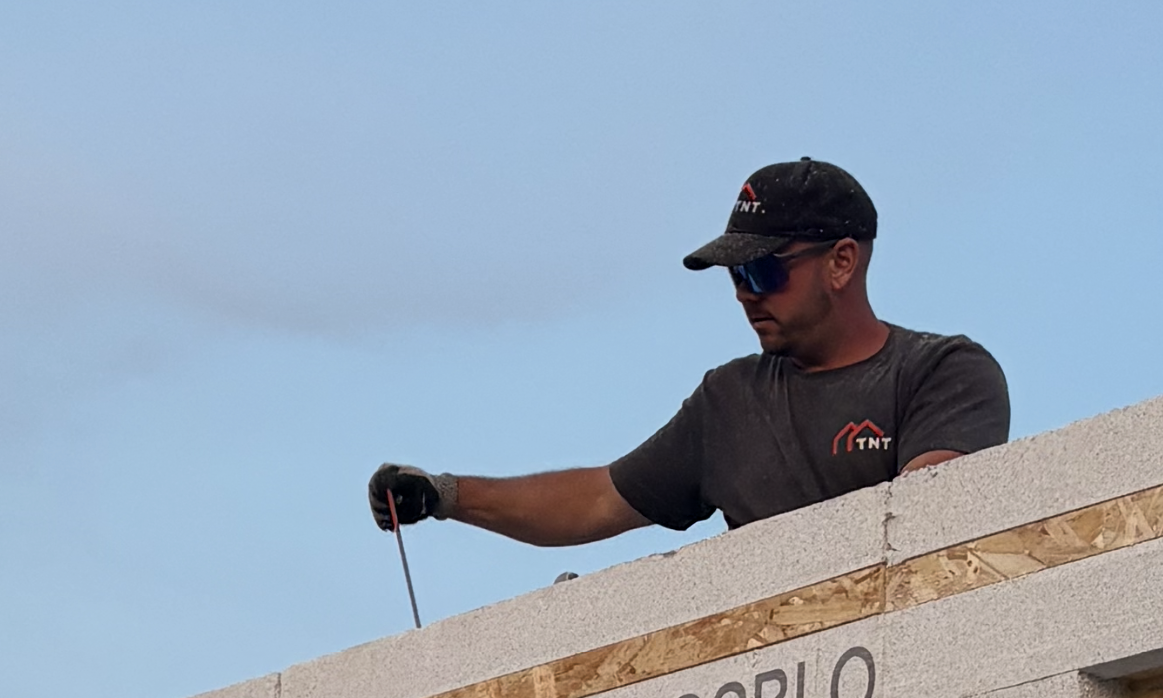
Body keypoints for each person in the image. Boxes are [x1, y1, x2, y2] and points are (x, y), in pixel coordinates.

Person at [370, 157, 1009, 548]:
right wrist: (447, 494)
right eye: (733, 277)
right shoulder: (728, 403)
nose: (742, 295)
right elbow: (596, 499)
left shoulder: (942, 373)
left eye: (761, 272)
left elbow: (926, 526)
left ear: (842, 262)